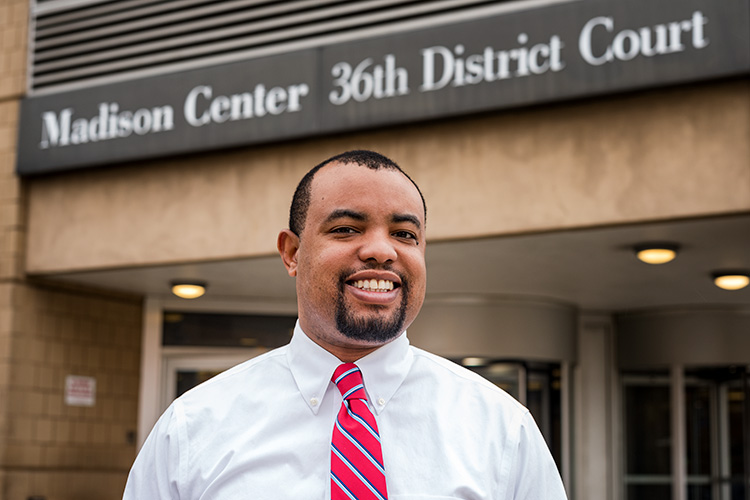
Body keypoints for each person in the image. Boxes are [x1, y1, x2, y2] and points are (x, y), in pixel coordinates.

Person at [122, 150, 568, 499]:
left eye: (405, 234)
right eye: (347, 229)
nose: (381, 250)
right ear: (292, 253)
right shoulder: (191, 429)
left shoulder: (503, 430)